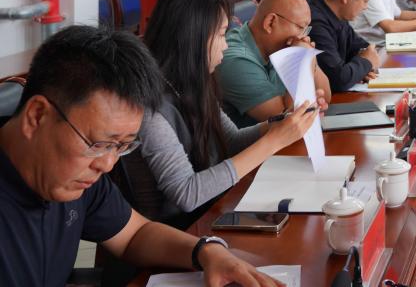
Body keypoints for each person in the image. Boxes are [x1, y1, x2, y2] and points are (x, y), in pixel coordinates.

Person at [0, 26, 281, 287]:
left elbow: (134, 234)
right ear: (37, 116)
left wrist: (207, 251)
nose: (107, 164)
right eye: (100, 144)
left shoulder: (72, 171)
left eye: (122, 146)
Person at [119, 0, 317, 226]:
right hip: (178, 231)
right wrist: (274, 140)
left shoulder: (192, 83)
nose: (226, 44)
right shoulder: (148, 110)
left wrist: (282, 123)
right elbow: (187, 194)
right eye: (222, 34)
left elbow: (231, 141)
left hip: (212, 210)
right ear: (193, 38)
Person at [216, 0, 331, 128]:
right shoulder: (236, 61)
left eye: (306, 29)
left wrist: (309, 59)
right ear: (270, 22)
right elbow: (287, 121)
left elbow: (325, 97)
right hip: (255, 141)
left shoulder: (280, 47)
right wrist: (301, 62)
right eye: (301, 27)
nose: (303, 37)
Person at [307, 0, 382, 92]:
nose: (365, 7)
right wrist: (366, 63)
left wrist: (362, 69)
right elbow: (338, 79)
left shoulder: (337, 14)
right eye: (365, 1)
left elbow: (360, 47)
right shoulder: (315, 23)